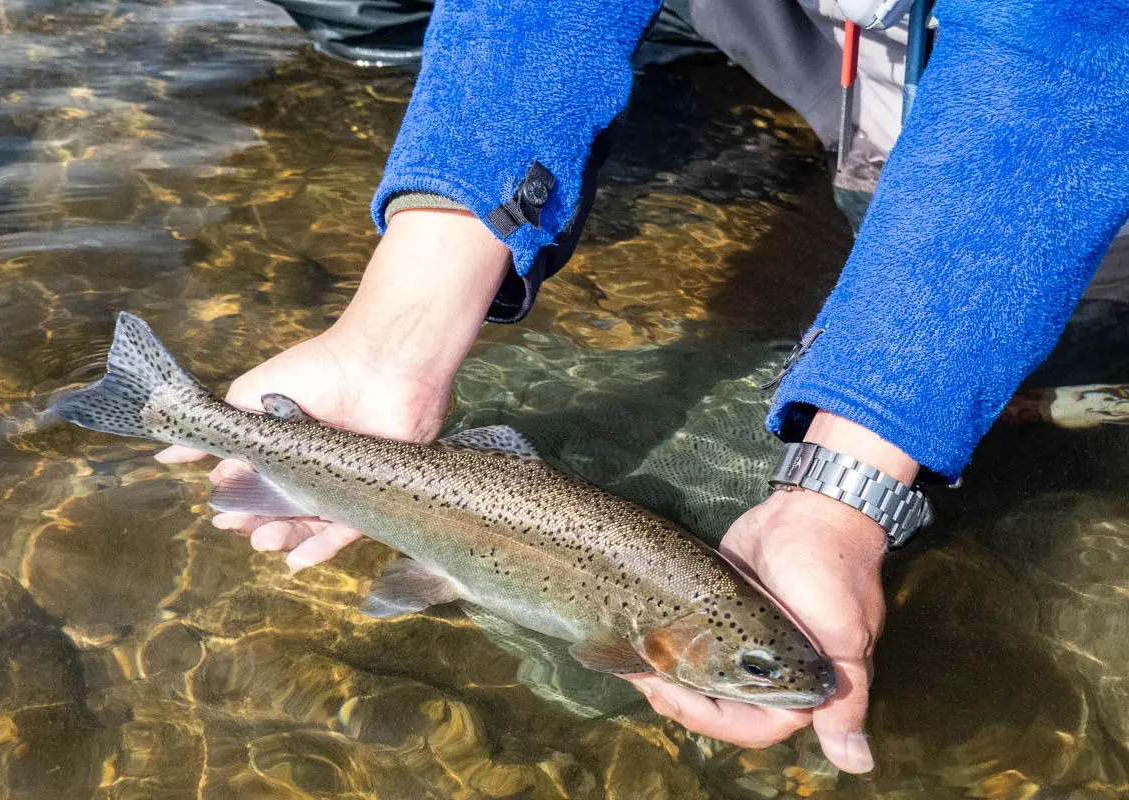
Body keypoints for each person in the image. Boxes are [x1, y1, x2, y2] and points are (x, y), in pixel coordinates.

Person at [157, 0, 1129, 776]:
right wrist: (395, 332)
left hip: (1078, 93)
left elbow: (1069, 61)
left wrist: (846, 491)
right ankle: (691, 79)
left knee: (1062, 315)